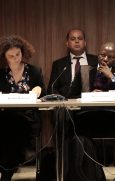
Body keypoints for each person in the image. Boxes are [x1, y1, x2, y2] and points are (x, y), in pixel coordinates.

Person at [73, 42, 115, 181]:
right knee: (73, 125)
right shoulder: (85, 71)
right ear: (98, 55)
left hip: (112, 116)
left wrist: (112, 77)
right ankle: (81, 171)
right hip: (88, 115)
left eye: (110, 57)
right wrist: (90, 94)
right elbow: (71, 95)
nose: (105, 59)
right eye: (103, 55)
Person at [0, 35, 45, 180]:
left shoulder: (34, 71)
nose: (15, 58)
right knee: (9, 127)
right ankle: (8, 167)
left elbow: (42, 90)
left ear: (23, 52)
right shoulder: (1, 73)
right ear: (4, 57)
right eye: (11, 56)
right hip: (4, 116)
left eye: (18, 54)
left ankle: (6, 172)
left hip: (28, 118)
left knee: (12, 130)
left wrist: (37, 90)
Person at [48, 28, 98, 98]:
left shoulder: (96, 61)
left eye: (80, 39)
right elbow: (52, 88)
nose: (77, 41)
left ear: (85, 43)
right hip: (67, 103)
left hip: (92, 102)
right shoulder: (58, 64)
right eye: (73, 39)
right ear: (67, 44)